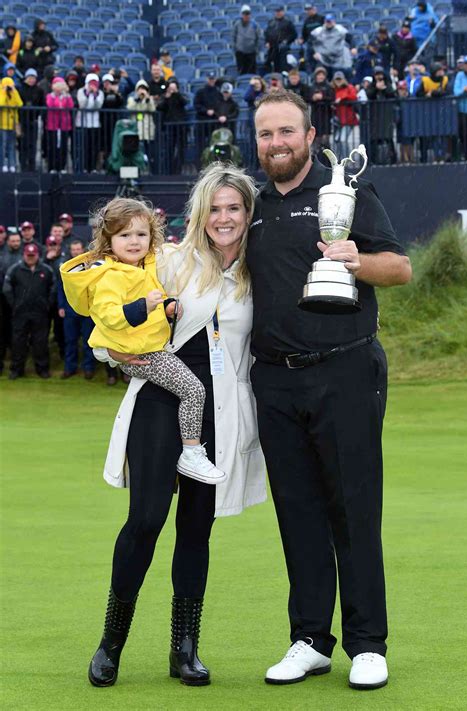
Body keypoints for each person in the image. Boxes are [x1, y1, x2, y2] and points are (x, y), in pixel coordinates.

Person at [247, 89, 412, 690]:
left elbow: (399, 266)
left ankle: (368, 643)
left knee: (354, 510)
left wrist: (353, 260)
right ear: (256, 141)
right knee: (298, 514)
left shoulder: (346, 190)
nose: (277, 144)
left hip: (345, 371)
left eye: (286, 132)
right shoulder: (252, 204)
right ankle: (311, 639)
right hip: (274, 381)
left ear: (310, 136)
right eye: (266, 135)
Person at [81, 164, 266, 687]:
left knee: (196, 529)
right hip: (160, 405)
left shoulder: (259, 272)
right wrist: (117, 354)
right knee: (145, 520)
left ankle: (184, 650)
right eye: (215, 208)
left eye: (234, 208)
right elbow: (107, 322)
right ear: (199, 213)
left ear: (247, 214)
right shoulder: (168, 261)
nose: (224, 218)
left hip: (220, 414)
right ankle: (110, 644)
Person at [61, 196, 225, 484]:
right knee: (194, 391)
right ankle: (191, 452)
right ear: (108, 239)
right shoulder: (109, 275)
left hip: (146, 346)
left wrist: (166, 307)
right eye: (124, 235)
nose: (134, 241)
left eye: (141, 234)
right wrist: (144, 307)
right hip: (142, 353)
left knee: (188, 391)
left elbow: (149, 309)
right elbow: (109, 315)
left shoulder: (143, 266)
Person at [3, 242, 55, 379]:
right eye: (28, 255)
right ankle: (16, 369)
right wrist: (14, 304)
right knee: (18, 341)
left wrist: (47, 304)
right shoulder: (15, 269)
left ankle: (42, 369)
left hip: (40, 312)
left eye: (33, 255)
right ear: (24, 255)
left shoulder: (46, 270)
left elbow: (53, 287)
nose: (31, 257)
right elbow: (6, 288)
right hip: (20, 312)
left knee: (40, 342)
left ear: (38, 255)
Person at [57, 239, 96, 379]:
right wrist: (61, 306)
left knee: (88, 341)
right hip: (69, 311)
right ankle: (70, 368)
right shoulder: (66, 268)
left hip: (86, 310)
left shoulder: (90, 267)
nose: (76, 252)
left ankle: (88, 368)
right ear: (70, 251)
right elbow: (60, 288)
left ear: (82, 250)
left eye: (78, 249)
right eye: (73, 249)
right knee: (70, 341)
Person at [310, 14, 355, 81]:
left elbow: (350, 38)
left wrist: (353, 47)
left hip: (337, 59)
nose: (329, 23)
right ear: (324, 22)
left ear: (334, 21)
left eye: (330, 21)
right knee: (322, 77)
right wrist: (314, 52)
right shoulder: (318, 31)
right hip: (323, 58)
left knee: (337, 78)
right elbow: (310, 42)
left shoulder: (340, 29)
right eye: (327, 22)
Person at [76, 73, 104, 173]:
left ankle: (92, 168)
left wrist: (95, 95)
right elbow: (82, 105)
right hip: (83, 123)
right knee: (84, 147)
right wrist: (88, 94)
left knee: (94, 147)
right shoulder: (80, 91)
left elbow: (98, 106)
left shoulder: (100, 93)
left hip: (95, 124)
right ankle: (84, 167)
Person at [45, 77, 73, 173]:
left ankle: (62, 167)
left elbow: (70, 106)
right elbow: (51, 105)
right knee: (52, 146)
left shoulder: (67, 96)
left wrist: (66, 96)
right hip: (53, 125)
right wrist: (57, 99)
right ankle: (52, 167)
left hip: (64, 125)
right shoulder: (50, 96)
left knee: (63, 146)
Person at [18, 68, 44, 172]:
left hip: (34, 121)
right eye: (30, 77)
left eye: (33, 77)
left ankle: (32, 167)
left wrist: (38, 115)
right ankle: (23, 166)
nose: (31, 80)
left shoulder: (39, 90)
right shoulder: (20, 89)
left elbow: (42, 105)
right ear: (26, 78)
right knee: (22, 144)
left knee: (32, 145)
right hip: (22, 121)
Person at [331, 71, 358, 158]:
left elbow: (354, 96)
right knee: (336, 140)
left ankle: (349, 161)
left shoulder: (349, 87)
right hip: (338, 120)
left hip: (349, 119)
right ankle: (341, 159)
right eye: (337, 79)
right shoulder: (332, 89)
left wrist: (342, 98)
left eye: (340, 79)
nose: (338, 81)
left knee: (342, 140)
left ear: (344, 79)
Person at [263, 5, 297, 74]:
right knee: (275, 67)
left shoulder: (288, 22)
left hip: (283, 48)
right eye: (277, 11)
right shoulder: (271, 22)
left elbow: (294, 34)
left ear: (283, 12)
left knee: (283, 67)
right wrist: (267, 42)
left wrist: (287, 41)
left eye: (279, 11)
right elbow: (267, 33)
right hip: (273, 47)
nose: (278, 13)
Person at [309, 66, 334, 156]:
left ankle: (328, 161)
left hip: (326, 115)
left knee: (325, 140)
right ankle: (316, 159)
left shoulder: (329, 87)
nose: (320, 77)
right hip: (315, 115)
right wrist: (313, 98)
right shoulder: (312, 86)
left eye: (322, 75)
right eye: (319, 75)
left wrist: (322, 97)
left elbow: (332, 98)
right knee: (316, 139)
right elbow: (308, 98)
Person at [453, 55, 467, 161]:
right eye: (466, 64)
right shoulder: (459, 75)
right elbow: (456, 92)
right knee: (463, 134)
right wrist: (464, 91)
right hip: (462, 110)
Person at [0, 77, 22, 173]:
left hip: (13, 123)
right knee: (3, 145)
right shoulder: (1, 93)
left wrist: (14, 91)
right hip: (2, 124)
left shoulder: (14, 93)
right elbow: (0, 103)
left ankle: (12, 164)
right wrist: (4, 92)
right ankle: (3, 164)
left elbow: (20, 103)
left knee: (12, 145)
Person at [232, 5, 262, 76]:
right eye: (245, 14)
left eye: (248, 14)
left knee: (252, 73)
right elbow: (233, 37)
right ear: (242, 14)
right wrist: (235, 49)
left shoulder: (255, 25)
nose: (246, 16)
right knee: (241, 72)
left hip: (251, 52)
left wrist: (256, 50)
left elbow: (259, 38)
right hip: (240, 53)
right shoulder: (237, 24)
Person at [299, 3, 324, 74]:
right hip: (310, 44)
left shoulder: (321, 18)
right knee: (309, 62)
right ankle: (310, 77)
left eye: (310, 9)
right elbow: (304, 34)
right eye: (307, 10)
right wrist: (302, 39)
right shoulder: (306, 21)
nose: (308, 11)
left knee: (320, 63)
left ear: (314, 9)